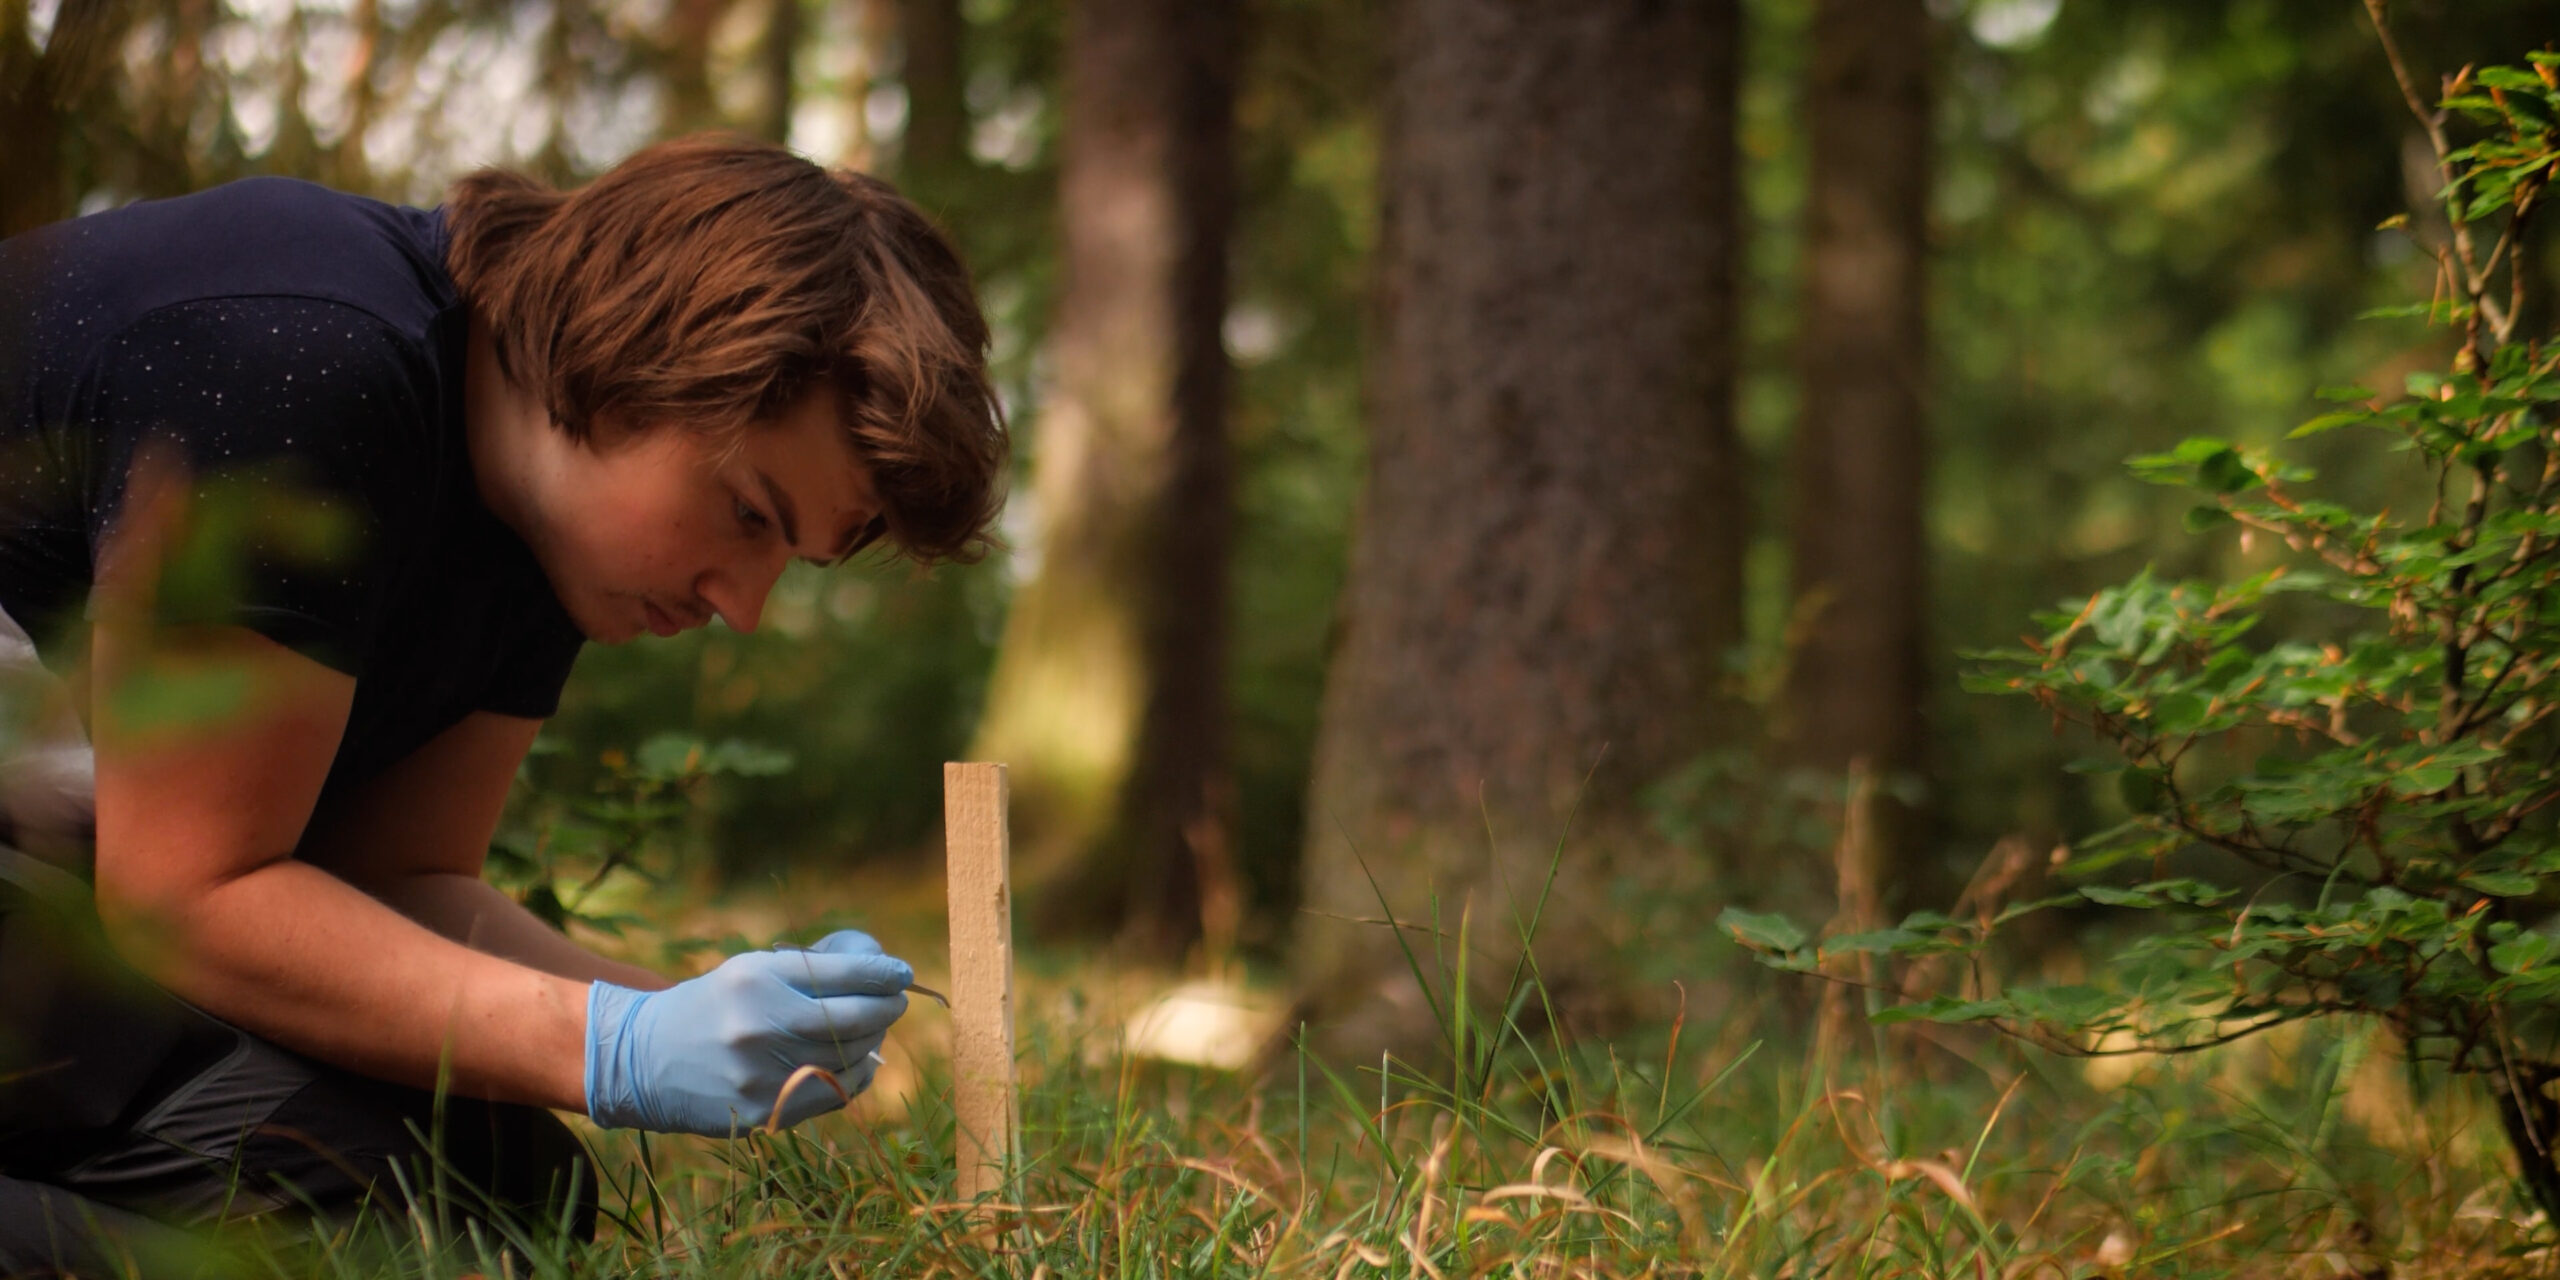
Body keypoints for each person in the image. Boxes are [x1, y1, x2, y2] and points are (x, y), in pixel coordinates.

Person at [0, 135, 1009, 1274]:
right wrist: (612, 1048)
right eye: (746, 513)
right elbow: (183, 896)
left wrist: (692, 1008)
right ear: (641, 357)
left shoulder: (541, 531)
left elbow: (396, 878)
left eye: (796, 559)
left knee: (486, 1191)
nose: (745, 606)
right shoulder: (303, 348)